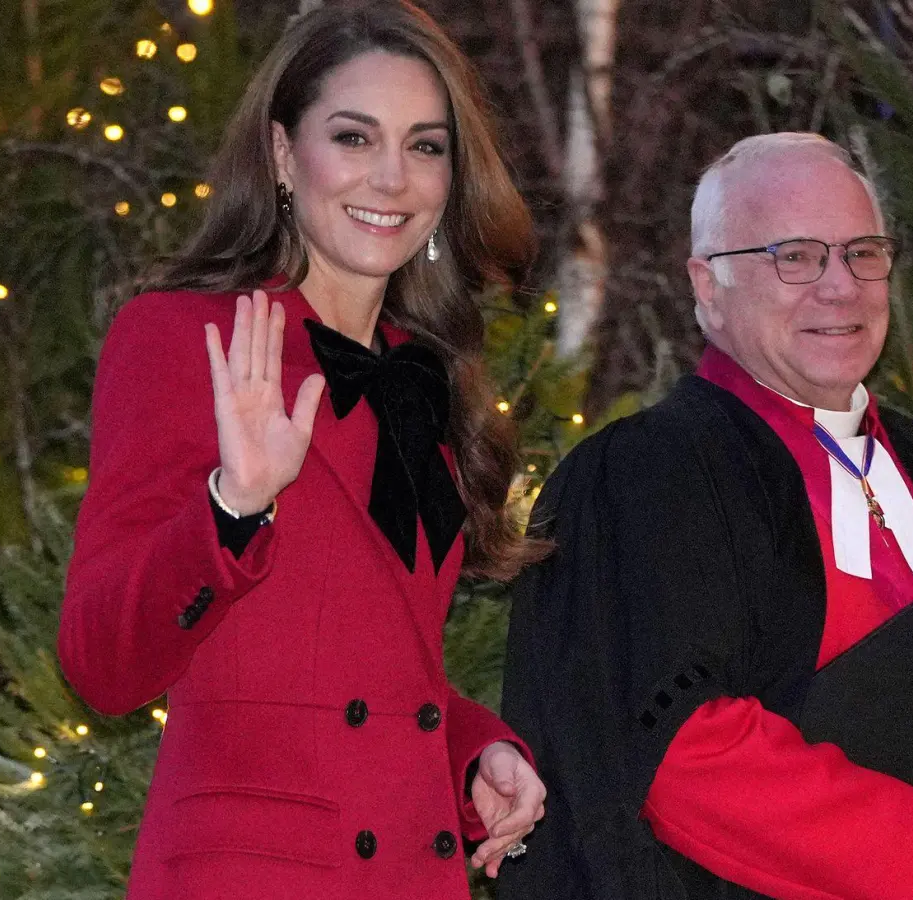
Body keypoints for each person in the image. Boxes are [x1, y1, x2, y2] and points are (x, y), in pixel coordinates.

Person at [498, 133, 913, 900]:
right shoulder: (647, 474)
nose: (839, 287)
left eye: (863, 253)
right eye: (795, 256)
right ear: (707, 284)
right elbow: (680, 756)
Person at [57, 3, 546, 897]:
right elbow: (100, 664)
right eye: (354, 138)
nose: (392, 178)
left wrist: (473, 752)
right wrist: (230, 508)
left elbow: (375, 678)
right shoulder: (181, 337)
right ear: (284, 155)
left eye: (426, 147)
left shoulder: (423, 380)